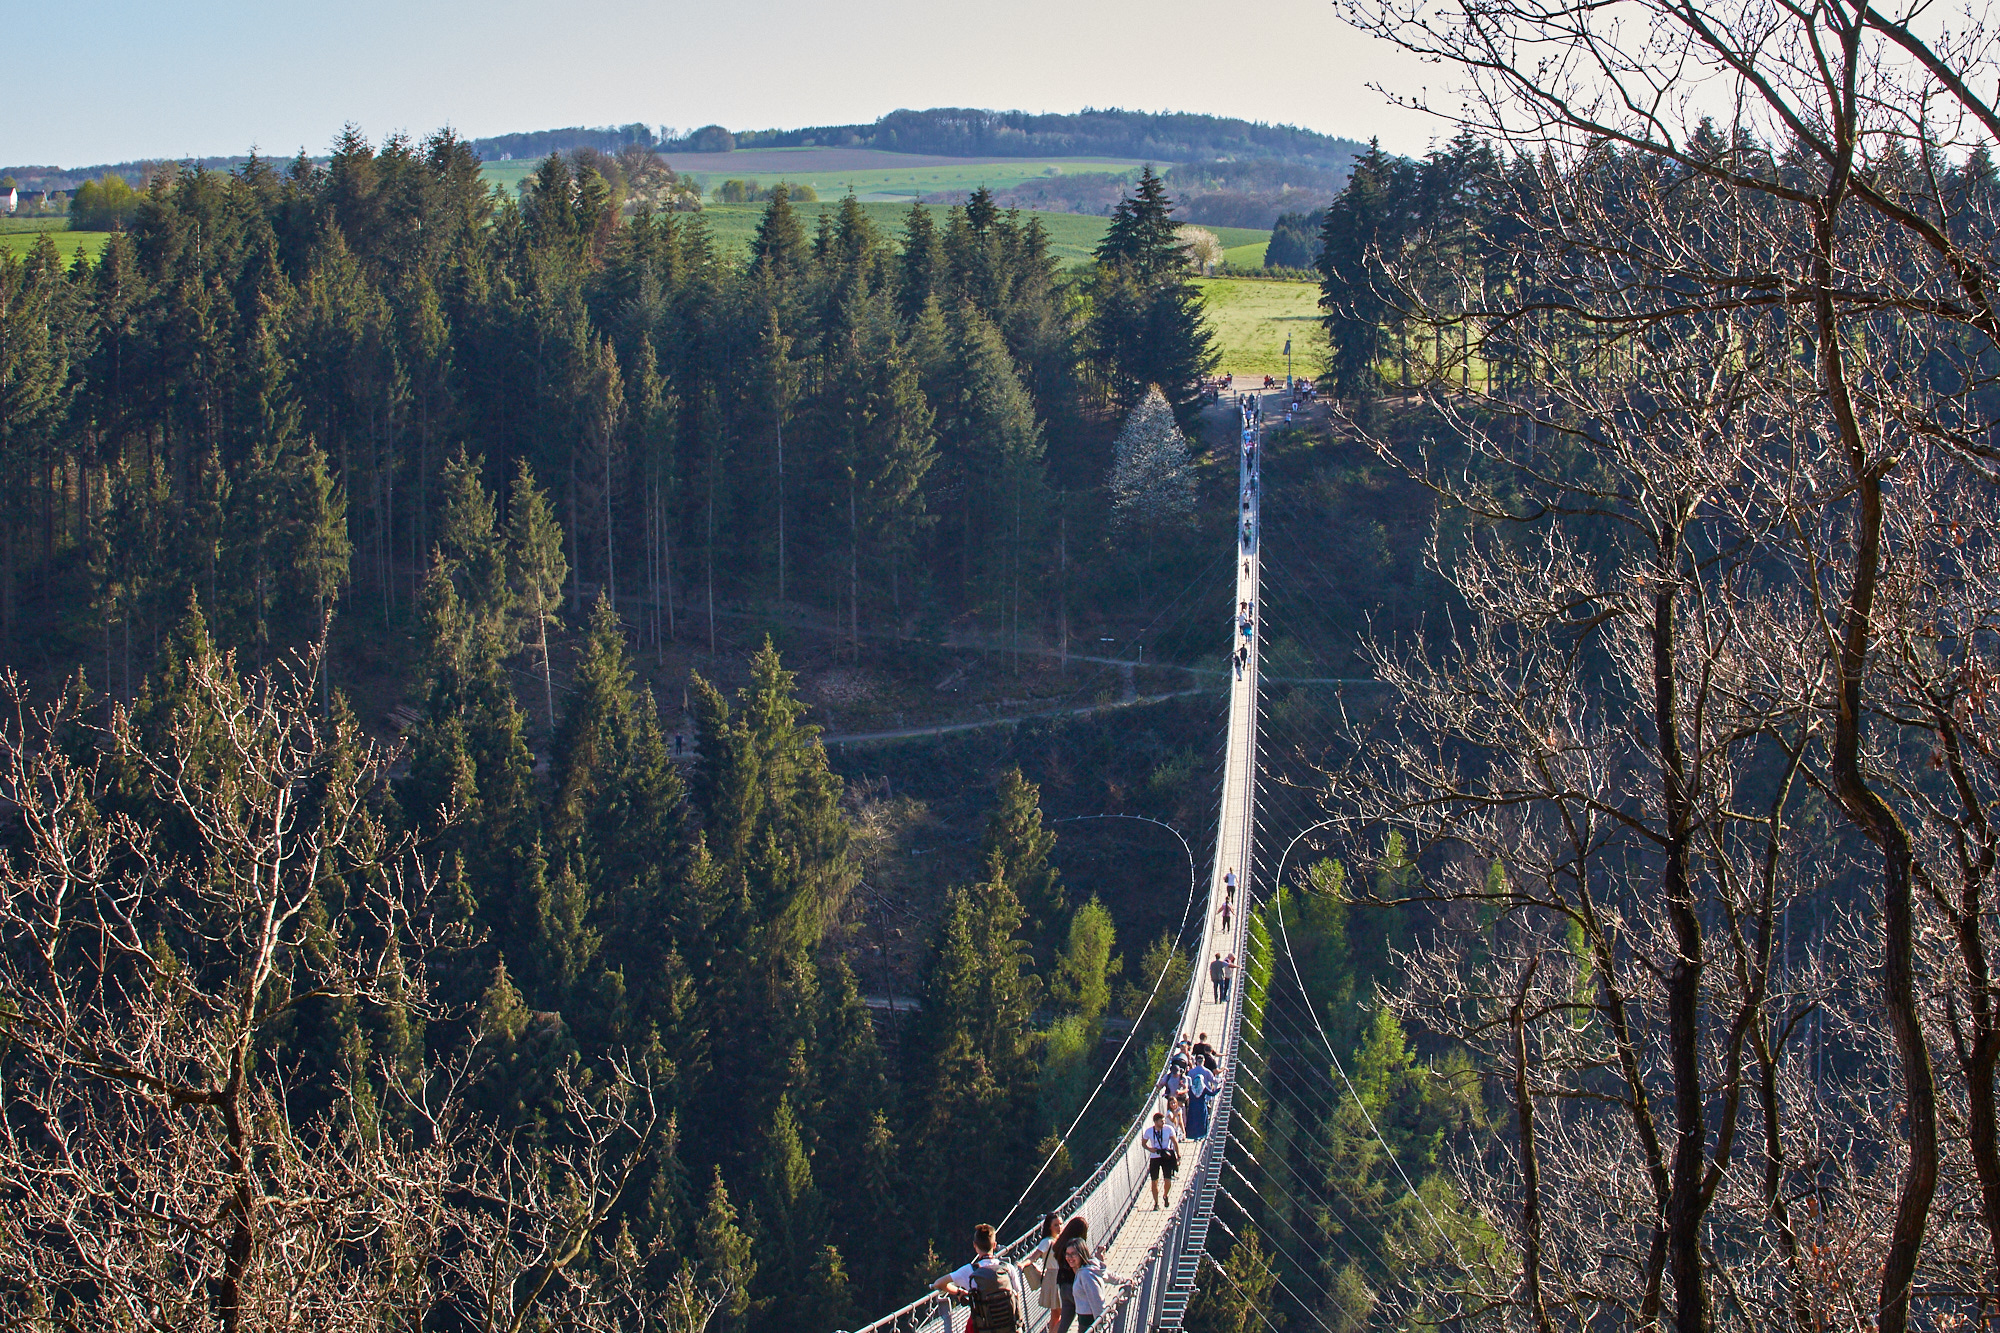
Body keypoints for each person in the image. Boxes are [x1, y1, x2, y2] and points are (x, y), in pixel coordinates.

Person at [933, 1223, 1024, 1330]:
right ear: (994, 1245)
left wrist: (959, 1292)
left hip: (984, 1328)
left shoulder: (969, 1271)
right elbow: (1017, 1296)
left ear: (975, 1246)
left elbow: (938, 1283)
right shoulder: (1008, 1269)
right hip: (1008, 1328)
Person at [1065, 1239, 1131, 1330]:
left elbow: (1097, 1300)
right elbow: (1108, 1275)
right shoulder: (1090, 1267)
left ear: (1081, 1253)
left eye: (1073, 1254)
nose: (1069, 1257)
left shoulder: (1085, 1274)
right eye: (1067, 1254)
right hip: (1088, 1321)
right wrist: (1123, 1280)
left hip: (1089, 1322)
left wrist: (1100, 1325)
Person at [1023, 1211, 1065, 1325]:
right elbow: (1033, 1257)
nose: (1059, 1227)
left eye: (1060, 1224)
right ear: (1049, 1227)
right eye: (1056, 1225)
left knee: (1056, 1316)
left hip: (1062, 1277)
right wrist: (1023, 1264)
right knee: (1062, 1315)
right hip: (1054, 1279)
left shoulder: (1061, 1240)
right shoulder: (1047, 1242)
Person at [1053, 1216, 1090, 1328]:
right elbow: (1083, 1267)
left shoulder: (1060, 1245)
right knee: (1085, 1321)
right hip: (1076, 1288)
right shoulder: (1076, 1247)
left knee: (1063, 1323)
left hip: (1064, 1288)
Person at [1143, 1109, 1181, 1209]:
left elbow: (1175, 1142)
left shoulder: (1169, 1129)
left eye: (1164, 1120)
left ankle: (1165, 1195)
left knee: (1167, 1180)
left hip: (1166, 1156)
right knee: (1154, 1181)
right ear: (1155, 1122)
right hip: (1155, 1157)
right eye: (1161, 1121)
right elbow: (1143, 1143)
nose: (1163, 1122)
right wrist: (1149, 1148)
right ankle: (1156, 1203)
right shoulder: (1149, 1131)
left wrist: (1178, 1155)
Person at [1185, 1059, 1217, 1139]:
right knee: (1201, 1121)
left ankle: (1192, 1135)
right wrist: (1219, 1088)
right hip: (1201, 1107)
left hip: (1192, 1107)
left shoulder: (1191, 1088)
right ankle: (1202, 1135)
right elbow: (1212, 1093)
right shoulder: (1204, 1089)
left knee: (1193, 1121)